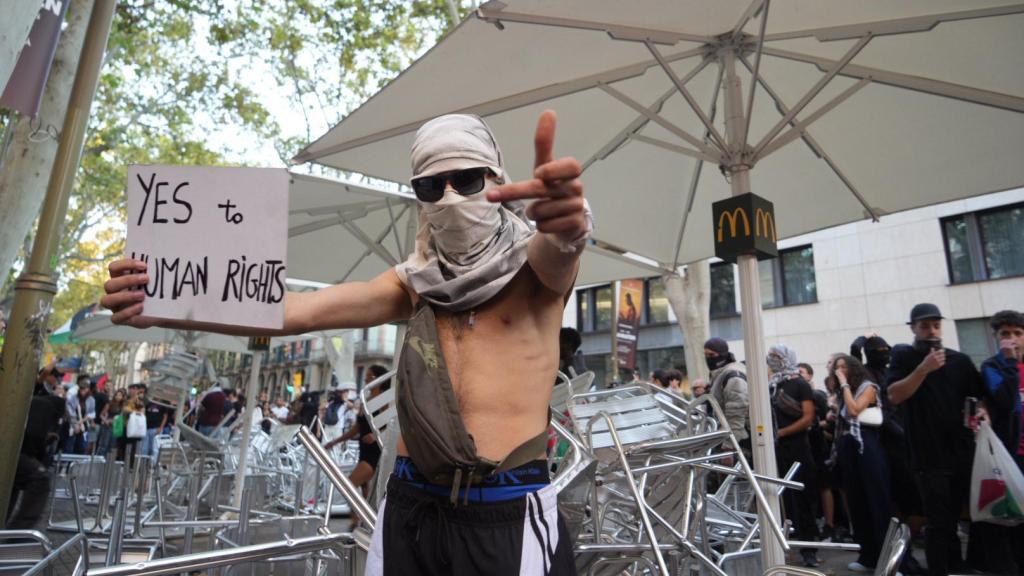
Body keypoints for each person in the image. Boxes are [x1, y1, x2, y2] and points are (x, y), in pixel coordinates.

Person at [102, 111, 587, 575]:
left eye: (467, 179)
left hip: (506, 512)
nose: (450, 197)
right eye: (430, 186)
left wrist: (567, 224)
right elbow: (299, 310)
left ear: (495, 177)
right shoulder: (415, 282)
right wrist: (165, 298)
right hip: (410, 508)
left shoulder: (535, 269)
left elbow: (560, 251)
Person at [887, 303, 984, 576]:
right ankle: (940, 569)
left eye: (936, 325)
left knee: (956, 516)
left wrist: (980, 413)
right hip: (927, 454)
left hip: (961, 451)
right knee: (939, 520)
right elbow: (894, 395)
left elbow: (980, 396)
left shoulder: (959, 361)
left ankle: (956, 566)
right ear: (913, 328)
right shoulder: (904, 357)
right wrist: (923, 369)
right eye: (924, 325)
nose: (931, 331)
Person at [831, 355, 893, 572]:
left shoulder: (869, 387)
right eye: (836, 368)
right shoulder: (842, 391)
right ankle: (868, 555)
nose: (839, 371)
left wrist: (844, 385)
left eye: (843, 367)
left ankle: (890, 558)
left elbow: (854, 409)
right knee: (857, 502)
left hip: (866, 444)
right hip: (849, 446)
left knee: (876, 499)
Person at [975, 309, 1024, 575]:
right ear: (996, 337)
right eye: (1005, 334)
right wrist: (1009, 363)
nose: (1012, 339)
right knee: (1011, 521)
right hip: (1011, 456)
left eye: (1017, 333)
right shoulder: (992, 367)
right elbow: (1004, 399)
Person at [767, 344, 820, 567]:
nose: (772, 360)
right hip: (778, 451)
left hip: (798, 448)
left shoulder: (799, 384)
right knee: (785, 499)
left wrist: (781, 433)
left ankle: (810, 549)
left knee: (803, 498)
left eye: (777, 357)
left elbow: (807, 418)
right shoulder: (771, 387)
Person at [324, 365, 390, 517]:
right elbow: (357, 428)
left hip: (374, 453)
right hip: (363, 451)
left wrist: (376, 436)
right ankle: (358, 524)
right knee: (363, 492)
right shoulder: (366, 401)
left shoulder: (383, 401)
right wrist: (336, 441)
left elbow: (392, 425)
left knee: (350, 486)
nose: (366, 378)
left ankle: (358, 522)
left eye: (370, 375)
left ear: (378, 379)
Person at [7, 390, 64, 529]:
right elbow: (35, 436)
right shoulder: (45, 408)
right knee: (39, 478)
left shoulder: (36, 403)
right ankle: (18, 534)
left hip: (14, 450)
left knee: (12, 484)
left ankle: (10, 529)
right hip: (15, 451)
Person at [704, 338, 750, 455]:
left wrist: (729, 447)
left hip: (739, 442)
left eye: (712, 354)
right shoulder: (721, 373)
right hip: (725, 436)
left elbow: (736, 414)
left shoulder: (733, 376)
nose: (708, 358)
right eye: (706, 355)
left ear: (723, 354)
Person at [64, 376, 95, 454]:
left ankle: (79, 464)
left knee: (83, 447)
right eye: (81, 388)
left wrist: (84, 420)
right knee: (70, 446)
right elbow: (70, 412)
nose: (82, 391)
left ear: (88, 389)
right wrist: (75, 424)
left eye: (85, 389)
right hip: (72, 426)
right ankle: (67, 464)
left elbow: (92, 413)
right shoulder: (73, 398)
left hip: (85, 426)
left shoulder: (91, 399)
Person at [142, 387, 169, 462]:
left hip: (156, 428)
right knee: (144, 448)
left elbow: (165, 417)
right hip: (147, 428)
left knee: (154, 448)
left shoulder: (163, 405)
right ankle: (143, 464)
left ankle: (152, 465)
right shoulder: (149, 403)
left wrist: (161, 427)